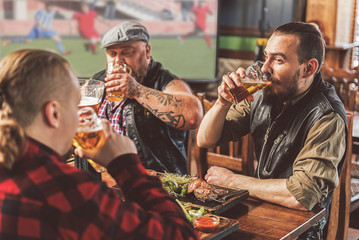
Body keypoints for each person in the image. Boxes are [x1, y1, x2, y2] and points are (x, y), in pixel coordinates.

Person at [0, 49, 200, 239]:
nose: (82, 113)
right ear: (53, 113)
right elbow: (182, 235)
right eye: (75, 103)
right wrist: (126, 166)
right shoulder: (70, 192)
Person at [196, 22, 348, 238]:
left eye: (278, 60)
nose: (265, 68)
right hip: (260, 214)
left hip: (301, 232)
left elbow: (301, 196)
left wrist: (234, 181)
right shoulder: (265, 93)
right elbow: (205, 139)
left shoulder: (326, 115)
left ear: (309, 68)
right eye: (265, 56)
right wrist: (223, 102)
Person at [93, 21, 203, 175]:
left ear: (147, 51)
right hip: (107, 176)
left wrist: (137, 91)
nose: (118, 61)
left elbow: (193, 116)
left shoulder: (164, 81)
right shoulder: (99, 80)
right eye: (112, 54)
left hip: (156, 181)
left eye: (126, 52)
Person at [2, 3, 70, 55]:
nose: (52, 8)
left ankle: (62, 51)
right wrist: (43, 27)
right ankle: (10, 41)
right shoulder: (40, 12)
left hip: (48, 30)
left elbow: (49, 20)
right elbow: (38, 21)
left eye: (53, 7)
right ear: (47, 7)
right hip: (38, 30)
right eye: (51, 7)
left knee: (58, 39)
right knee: (27, 41)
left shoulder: (52, 12)